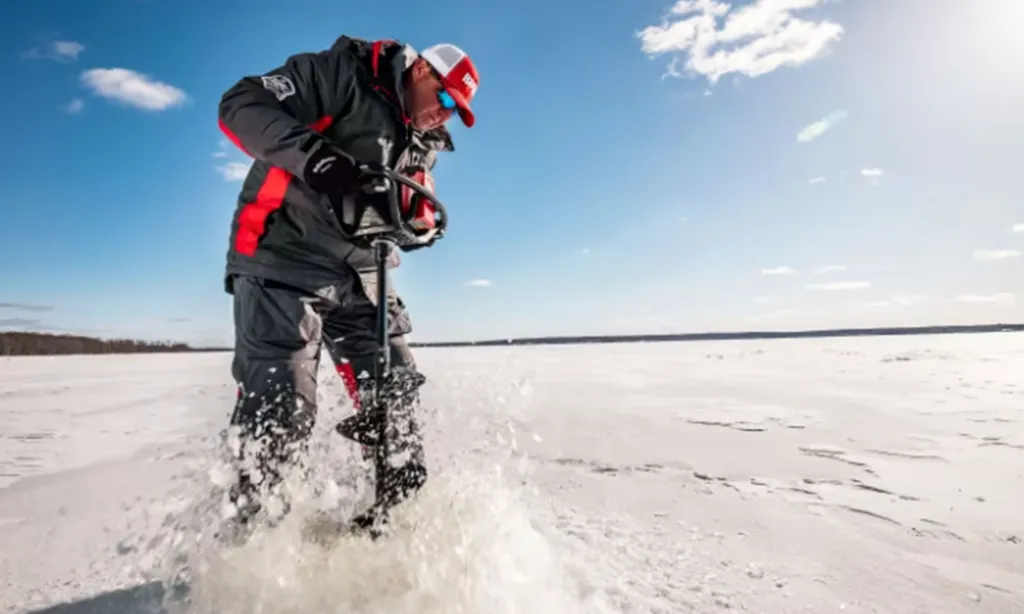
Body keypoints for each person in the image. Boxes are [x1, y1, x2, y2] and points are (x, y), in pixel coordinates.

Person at [214, 35, 480, 536]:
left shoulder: (423, 142)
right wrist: (320, 161)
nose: (445, 115)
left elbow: (397, 209)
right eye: (444, 99)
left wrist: (416, 221)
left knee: (396, 396)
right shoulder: (344, 75)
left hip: (363, 274)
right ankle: (245, 552)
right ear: (420, 70)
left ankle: (386, 528)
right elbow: (240, 104)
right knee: (279, 409)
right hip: (282, 257)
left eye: (457, 111)